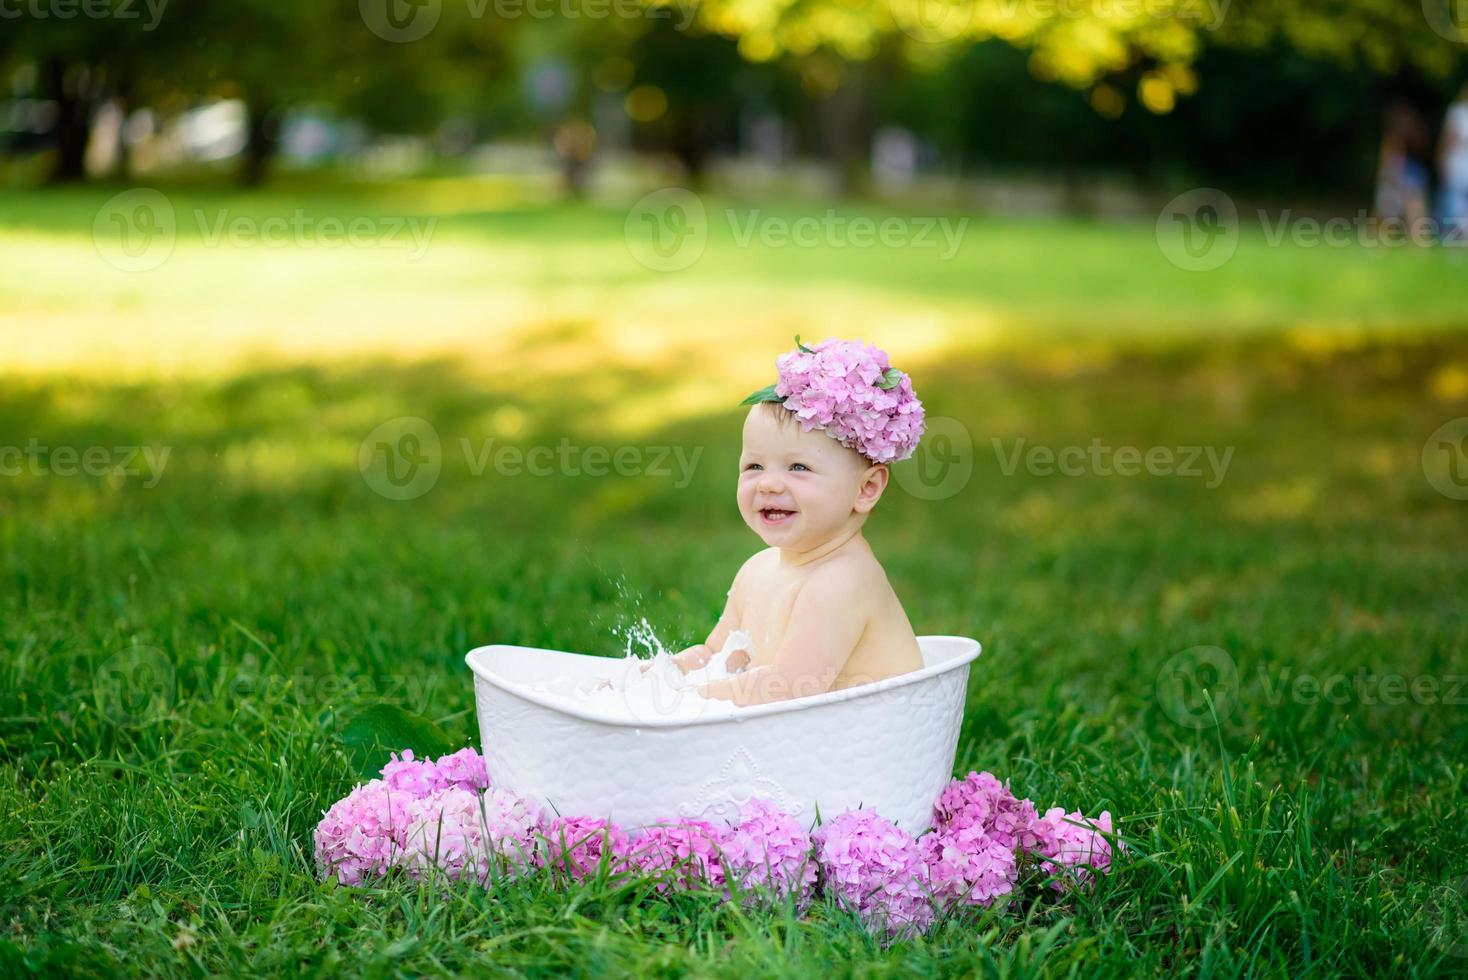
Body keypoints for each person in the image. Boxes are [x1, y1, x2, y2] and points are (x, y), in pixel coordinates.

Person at [666, 338, 928, 706]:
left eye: (798, 468)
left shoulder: (843, 581)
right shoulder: (756, 569)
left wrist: (683, 700)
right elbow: (717, 657)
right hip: (801, 747)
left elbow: (788, 689)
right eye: (754, 466)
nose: (769, 483)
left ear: (866, 488)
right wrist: (664, 677)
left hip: (865, 748)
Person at [1437, 84, 1468, 245]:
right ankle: (1453, 240)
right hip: (1457, 167)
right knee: (1454, 206)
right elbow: (1447, 140)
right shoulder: (1457, 112)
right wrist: (1442, 162)